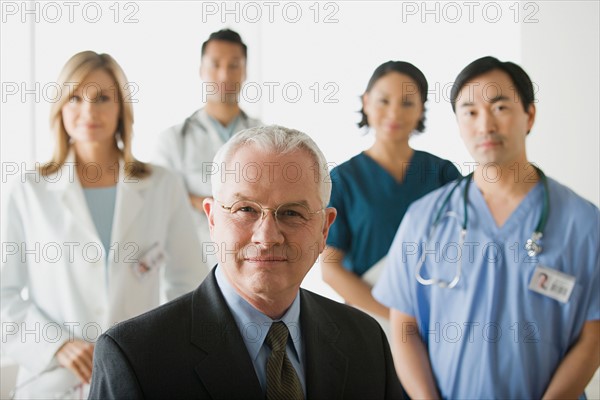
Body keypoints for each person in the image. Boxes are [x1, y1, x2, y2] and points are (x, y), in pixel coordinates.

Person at [89, 126, 405, 399]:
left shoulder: (366, 341)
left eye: (292, 213)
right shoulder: (136, 355)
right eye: (245, 209)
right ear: (212, 219)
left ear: (325, 229)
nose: (267, 237)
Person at [373, 56, 600, 399]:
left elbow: (593, 334)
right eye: (470, 111)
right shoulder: (424, 219)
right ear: (459, 122)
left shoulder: (582, 223)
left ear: (530, 115)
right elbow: (405, 327)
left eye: (500, 107)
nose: (485, 125)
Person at [0, 51, 208, 399]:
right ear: (60, 107)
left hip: (141, 372)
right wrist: (57, 345)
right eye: (76, 97)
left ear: (122, 108)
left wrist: (161, 350)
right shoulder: (30, 190)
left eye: (103, 98)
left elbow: (189, 285)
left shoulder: (161, 185)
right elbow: (4, 294)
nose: (89, 111)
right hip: (55, 381)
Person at [321, 61, 461, 331]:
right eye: (384, 100)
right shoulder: (345, 179)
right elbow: (330, 269)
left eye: (407, 103)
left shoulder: (442, 174)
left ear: (422, 108)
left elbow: (464, 250)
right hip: (370, 321)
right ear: (366, 102)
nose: (394, 112)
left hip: (436, 317)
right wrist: (396, 317)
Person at [154, 28, 263, 267]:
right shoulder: (173, 140)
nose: (224, 74)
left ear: (245, 71)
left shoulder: (265, 138)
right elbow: (162, 203)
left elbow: (269, 201)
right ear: (201, 70)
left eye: (234, 65)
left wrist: (194, 198)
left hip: (252, 263)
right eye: (215, 64)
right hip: (190, 268)